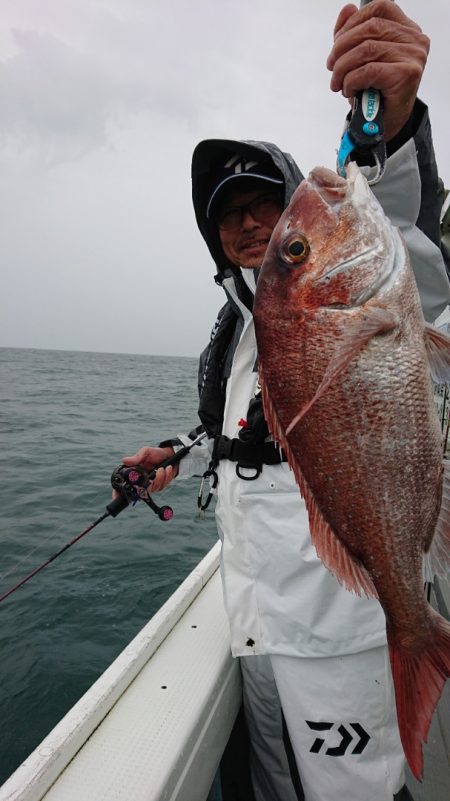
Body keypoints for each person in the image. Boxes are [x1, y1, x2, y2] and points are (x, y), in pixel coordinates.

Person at [120, 3, 450, 800]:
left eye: (266, 205)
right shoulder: (235, 333)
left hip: (338, 631)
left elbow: (411, 253)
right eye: (228, 214)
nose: (248, 223)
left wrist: (392, 129)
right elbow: (228, 432)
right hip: (254, 624)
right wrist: (173, 452)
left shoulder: (345, 292)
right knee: (274, 786)